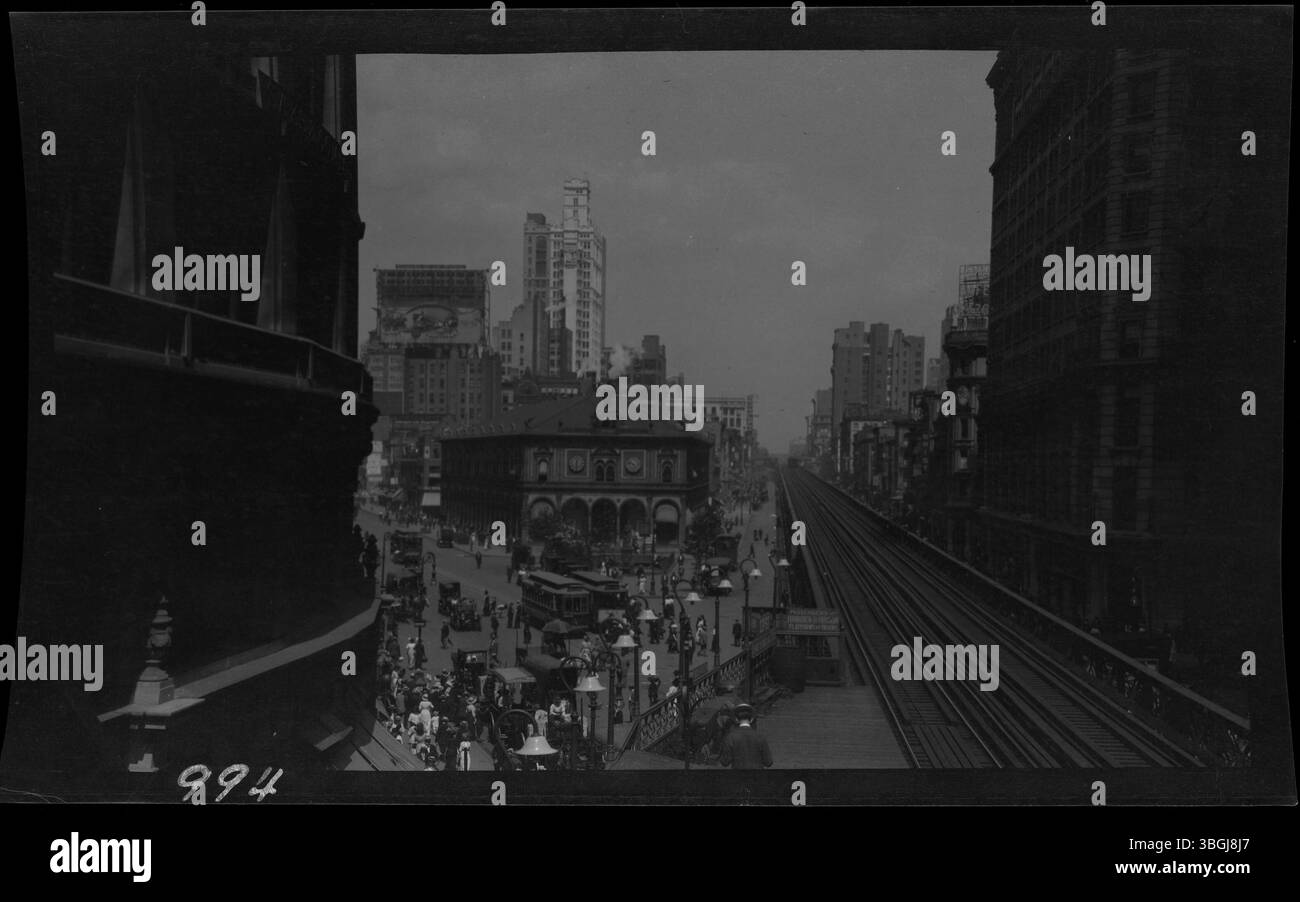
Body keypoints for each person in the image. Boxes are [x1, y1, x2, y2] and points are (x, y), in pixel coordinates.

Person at [719, 702, 773, 769]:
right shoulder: (760, 737)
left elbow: (725, 762)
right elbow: (768, 762)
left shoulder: (731, 737)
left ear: (736, 719)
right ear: (751, 719)